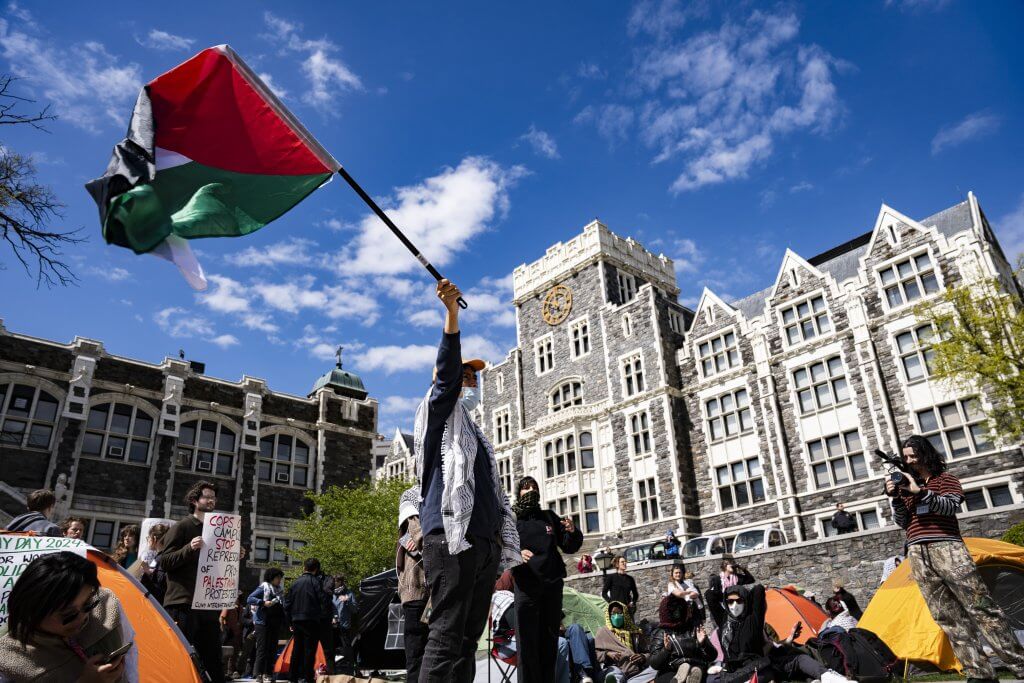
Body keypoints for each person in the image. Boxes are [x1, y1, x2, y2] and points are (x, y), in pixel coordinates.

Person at [412, 278, 522, 682]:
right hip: (450, 539)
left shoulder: (475, 434)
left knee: (466, 641)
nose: (471, 383)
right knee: (445, 636)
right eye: (465, 376)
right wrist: (452, 315)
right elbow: (444, 379)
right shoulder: (437, 415)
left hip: (482, 547)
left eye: (475, 378)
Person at [888, 434, 1024, 683]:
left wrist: (921, 493)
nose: (909, 461)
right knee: (946, 616)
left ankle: (1020, 664)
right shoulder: (906, 486)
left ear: (926, 455)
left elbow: (949, 507)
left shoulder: (945, 480)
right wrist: (897, 497)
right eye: (905, 457)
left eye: (913, 456)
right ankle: (979, 672)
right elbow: (902, 522)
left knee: (981, 607)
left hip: (947, 546)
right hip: (917, 552)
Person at [0, 551, 131, 682]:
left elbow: (131, 666)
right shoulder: (7, 657)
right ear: (32, 612)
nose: (83, 617)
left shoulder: (106, 603)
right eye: (69, 615)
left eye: (88, 604)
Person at [511, 475, 584, 683]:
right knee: (527, 646)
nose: (530, 490)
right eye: (526, 488)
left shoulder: (549, 517)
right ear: (519, 494)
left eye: (534, 486)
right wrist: (517, 552)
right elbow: (502, 548)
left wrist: (572, 531)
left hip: (551, 586)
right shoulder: (512, 520)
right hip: (526, 589)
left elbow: (570, 546)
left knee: (549, 643)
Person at [159, 480, 225, 683]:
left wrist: (233, 554)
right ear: (194, 500)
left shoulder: (217, 530)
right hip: (183, 603)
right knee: (180, 654)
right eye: (207, 496)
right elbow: (164, 561)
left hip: (207, 604)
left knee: (213, 658)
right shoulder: (183, 526)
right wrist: (189, 548)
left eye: (214, 497)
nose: (211, 500)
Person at [284, 557, 334, 683]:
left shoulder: (295, 582)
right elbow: (324, 601)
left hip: (296, 620)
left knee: (297, 649)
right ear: (316, 569)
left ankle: (293, 677)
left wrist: (289, 621)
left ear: (304, 567)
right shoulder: (316, 582)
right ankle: (308, 677)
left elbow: (287, 604)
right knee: (309, 650)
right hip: (311, 620)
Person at [397, 486, 428, 683]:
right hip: (416, 590)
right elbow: (420, 538)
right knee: (417, 653)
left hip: (427, 591)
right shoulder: (412, 497)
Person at [763, 622, 851, 683]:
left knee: (802, 652)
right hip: (768, 667)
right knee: (800, 658)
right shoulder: (754, 627)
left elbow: (777, 647)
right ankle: (828, 675)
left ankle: (825, 676)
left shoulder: (763, 626)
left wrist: (790, 637)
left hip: (779, 658)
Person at [247, 567, 285, 683]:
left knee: (272, 649)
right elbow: (250, 599)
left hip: (275, 622)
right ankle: (258, 674)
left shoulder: (279, 590)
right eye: (277, 578)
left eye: (280, 578)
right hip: (262, 622)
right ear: (271, 578)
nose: (279, 580)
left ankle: (268, 673)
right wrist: (263, 602)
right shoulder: (263, 587)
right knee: (262, 649)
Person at [595, 601, 648, 681]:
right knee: (615, 674)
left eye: (619, 613)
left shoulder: (635, 632)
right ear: (609, 615)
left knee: (655, 670)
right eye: (613, 614)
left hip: (636, 670)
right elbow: (596, 654)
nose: (616, 616)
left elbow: (649, 653)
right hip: (615, 668)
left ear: (625, 614)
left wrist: (642, 657)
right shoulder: (603, 632)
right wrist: (608, 654)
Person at [705, 561, 754, 630]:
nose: (733, 566)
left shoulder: (737, 578)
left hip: (737, 605)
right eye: (730, 564)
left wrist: (743, 569)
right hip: (724, 607)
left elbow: (751, 580)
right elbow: (716, 595)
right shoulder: (717, 579)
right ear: (725, 566)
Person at [128, 522, 169, 604]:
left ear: (153, 539)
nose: (148, 540)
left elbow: (161, 582)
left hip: (156, 603)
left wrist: (149, 572)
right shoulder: (160, 556)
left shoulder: (162, 557)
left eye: (148, 538)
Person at [332, 575, 357, 674]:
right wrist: (331, 618)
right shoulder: (330, 593)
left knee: (346, 648)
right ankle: (332, 670)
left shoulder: (349, 593)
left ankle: (349, 670)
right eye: (333, 581)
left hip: (344, 625)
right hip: (333, 625)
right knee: (331, 648)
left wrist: (347, 601)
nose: (334, 583)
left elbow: (355, 610)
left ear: (341, 582)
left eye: (336, 581)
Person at [221, 593, 248, 680]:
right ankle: (225, 673)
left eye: (239, 597)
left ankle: (230, 672)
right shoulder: (228, 606)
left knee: (235, 654)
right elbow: (222, 617)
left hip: (238, 634)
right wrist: (224, 628)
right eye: (236, 596)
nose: (238, 598)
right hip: (230, 633)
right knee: (228, 653)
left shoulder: (240, 607)